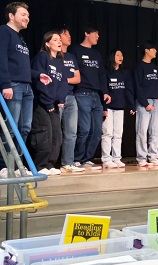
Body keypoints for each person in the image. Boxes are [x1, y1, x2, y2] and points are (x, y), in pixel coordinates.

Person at [0, 2, 52, 176]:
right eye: (23, 14)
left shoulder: (21, 38)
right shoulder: (4, 32)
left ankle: (16, 166)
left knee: (25, 128)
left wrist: (38, 75)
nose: (27, 18)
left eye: (28, 15)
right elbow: (2, 59)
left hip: (27, 87)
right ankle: (4, 165)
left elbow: (22, 66)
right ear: (11, 15)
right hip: (13, 86)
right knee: (11, 127)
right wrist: (5, 84)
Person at [69, 26, 111, 170]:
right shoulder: (75, 50)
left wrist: (105, 92)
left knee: (97, 130)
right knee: (85, 129)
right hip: (82, 93)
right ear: (86, 33)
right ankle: (77, 158)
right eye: (95, 33)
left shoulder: (97, 54)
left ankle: (87, 158)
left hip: (96, 96)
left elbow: (101, 76)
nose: (98, 36)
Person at [28, 31, 64, 175]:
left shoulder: (60, 63)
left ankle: (49, 165)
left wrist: (60, 100)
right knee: (45, 134)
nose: (59, 42)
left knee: (57, 135)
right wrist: (48, 103)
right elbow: (40, 82)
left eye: (59, 39)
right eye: (55, 39)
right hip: (42, 103)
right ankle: (40, 165)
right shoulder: (42, 57)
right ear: (47, 43)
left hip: (54, 105)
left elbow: (61, 84)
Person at [101, 49, 134, 168]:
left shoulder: (125, 73)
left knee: (118, 134)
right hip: (108, 107)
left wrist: (131, 105)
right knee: (107, 133)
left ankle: (116, 158)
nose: (121, 57)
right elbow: (103, 89)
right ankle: (106, 158)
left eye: (122, 55)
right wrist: (104, 106)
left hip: (120, 107)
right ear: (112, 56)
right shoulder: (106, 71)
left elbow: (128, 90)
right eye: (118, 55)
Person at [58, 27, 85, 172]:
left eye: (69, 33)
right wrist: (65, 80)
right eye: (65, 34)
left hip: (71, 96)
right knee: (56, 132)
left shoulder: (71, 57)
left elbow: (77, 78)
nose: (69, 36)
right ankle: (50, 163)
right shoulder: (54, 55)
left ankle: (68, 162)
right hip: (57, 96)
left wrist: (64, 79)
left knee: (71, 132)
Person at [134, 41, 158, 166]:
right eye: (153, 49)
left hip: (155, 101)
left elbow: (155, 85)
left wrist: (157, 98)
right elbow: (138, 87)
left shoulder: (155, 67)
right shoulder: (139, 67)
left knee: (155, 130)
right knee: (142, 130)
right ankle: (141, 157)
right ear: (147, 50)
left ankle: (153, 155)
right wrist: (145, 103)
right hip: (143, 102)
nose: (155, 51)